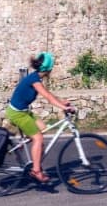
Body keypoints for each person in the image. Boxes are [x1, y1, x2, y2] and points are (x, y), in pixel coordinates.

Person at [5, 52, 73, 183]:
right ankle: (36, 171)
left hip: (24, 111)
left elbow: (48, 93)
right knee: (38, 138)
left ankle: (24, 143)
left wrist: (61, 102)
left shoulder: (36, 77)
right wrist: (63, 108)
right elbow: (47, 97)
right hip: (17, 113)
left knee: (43, 128)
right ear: (48, 69)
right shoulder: (34, 80)